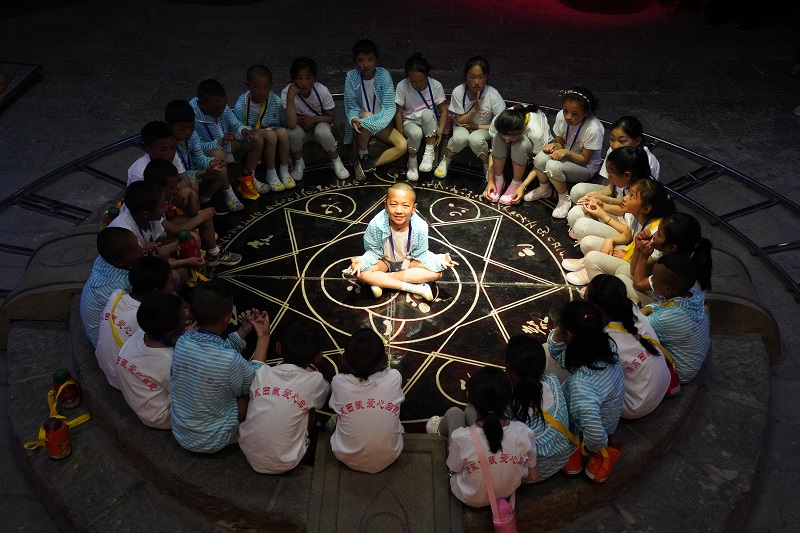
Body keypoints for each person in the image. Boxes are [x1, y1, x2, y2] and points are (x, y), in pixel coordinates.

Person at [169, 280, 268, 453]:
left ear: (191, 312)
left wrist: (242, 331)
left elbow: (217, 352)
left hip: (180, 432)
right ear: (228, 318)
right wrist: (264, 338)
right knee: (250, 395)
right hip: (213, 439)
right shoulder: (230, 360)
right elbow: (256, 381)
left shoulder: (183, 341)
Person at [547, 300, 625, 483]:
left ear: (569, 335)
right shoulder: (607, 346)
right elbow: (563, 355)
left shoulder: (581, 386)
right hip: (605, 420)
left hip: (588, 431)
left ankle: (575, 451)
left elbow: (596, 435)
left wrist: (588, 448)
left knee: (547, 396)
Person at [239, 319, 329, 474]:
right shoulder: (315, 381)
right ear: (318, 357)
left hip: (248, 452)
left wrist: (263, 337)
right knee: (309, 406)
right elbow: (327, 389)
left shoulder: (261, 373)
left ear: (278, 348)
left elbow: (258, 364)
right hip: (286, 462)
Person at [440, 366, 537, 508]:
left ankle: (437, 428)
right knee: (469, 414)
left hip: (471, 497)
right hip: (507, 492)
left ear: (468, 396)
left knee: (455, 413)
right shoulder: (524, 432)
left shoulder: (460, 438)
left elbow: (454, 468)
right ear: (508, 399)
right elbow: (533, 476)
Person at [346, 182, 457, 300]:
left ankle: (380, 280)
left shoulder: (420, 227)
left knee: (437, 273)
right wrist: (361, 262)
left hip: (408, 262)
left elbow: (421, 254)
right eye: (393, 204)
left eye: (405, 206)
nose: (399, 210)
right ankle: (416, 288)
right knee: (357, 271)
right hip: (384, 261)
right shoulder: (376, 224)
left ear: (413, 208)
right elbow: (373, 252)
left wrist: (439, 260)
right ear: (386, 205)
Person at [562, 179, 675, 292]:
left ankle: (596, 281)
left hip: (634, 267)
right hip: (629, 254)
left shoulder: (656, 233)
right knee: (588, 242)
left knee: (593, 257)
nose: (625, 198)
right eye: (628, 193)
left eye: (631, 196)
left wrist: (628, 258)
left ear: (646, 209)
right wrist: (610, 240)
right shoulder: (637, 216)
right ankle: (590, 267)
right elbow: (629, 233)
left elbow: (642, 269)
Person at [585, 275, 673, 417]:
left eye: (586, 299)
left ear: (597, 308)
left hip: (636, 406)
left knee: (582, 378)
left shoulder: (606, 339)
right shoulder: (631, 308)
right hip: (665, 381)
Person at [328, 328, 404, 473]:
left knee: (335, 419)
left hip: (345, 456)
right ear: (385, 360)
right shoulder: (394, 377)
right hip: (391, 455)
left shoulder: (338, 382)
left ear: (343, 359)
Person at [143, 159, 241, 267]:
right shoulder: (152, 205)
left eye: (176, 185)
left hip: (160, 232)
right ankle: (190, 263)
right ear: (160, 188)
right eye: (172, 187)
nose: (176, 190)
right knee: (193, 237)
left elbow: (193, 212)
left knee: (201, 215)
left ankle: (214, 254)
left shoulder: (164, 194)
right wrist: (202, 218)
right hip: (155, 243)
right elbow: (177, 231)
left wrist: (190, 194)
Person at [95, 255, 173, 390]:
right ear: (156, 292)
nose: (172, 287)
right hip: (126, 382)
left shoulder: (117, 295)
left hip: (108, 370)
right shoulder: (148, 319)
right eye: (170, 283)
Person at [505, 334, 575, 482]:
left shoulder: (508, 405)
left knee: (472, 412)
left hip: (531, 474)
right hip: (563, 459)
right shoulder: (552, 381)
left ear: (509, 371)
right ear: (542, 367)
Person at [526, 87, 604, 219]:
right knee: (540, 158)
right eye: (565, 111)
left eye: (574, 114)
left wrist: (566, 152)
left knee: (553, 166)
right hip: (567, 156)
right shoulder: (561, 117)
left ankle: (564, 199)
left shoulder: (594, 129)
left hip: (585, 167)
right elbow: (560, 144)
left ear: (586, 113)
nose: (568, 117)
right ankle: (544, 189)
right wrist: (553, 146)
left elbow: (584, 160)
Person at [108, 180, 204, 288]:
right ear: (145, 214)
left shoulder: (147, 215)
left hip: (146, 258)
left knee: (192, 239)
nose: (165, 208)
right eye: (162, 206)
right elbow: (144, 265)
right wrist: (186, 261)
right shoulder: (128, 235)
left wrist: (159, 248)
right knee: (175, 275)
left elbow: (160, 241)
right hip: (135, 268)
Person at [116, 293, 188, 429]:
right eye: (184, 318)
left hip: (144, 404)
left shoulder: (142, 332)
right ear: (171, 334)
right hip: (162, 416)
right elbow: (187, 396)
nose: (187, 315)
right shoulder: (171, 362)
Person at [189, 79, 268, 196]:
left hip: (229, 157)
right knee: (218, 153)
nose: (222, 110)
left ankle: (249, 178)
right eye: (217, 108)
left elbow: (236, 125)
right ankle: (227, 191)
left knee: (256, 137)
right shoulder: (191, 117)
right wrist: (219, 142)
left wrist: (243, 131)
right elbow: (196, 149)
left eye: (224, 105)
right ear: (201, 104)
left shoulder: (221, 106)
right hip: (209, 161)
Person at [641, 254, 711, 386]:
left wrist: (637, 306)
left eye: (654, 277)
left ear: (667, 289)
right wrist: (648, 309)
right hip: (694, 361)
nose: (651, 278)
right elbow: (660, 305)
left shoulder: (665, 319)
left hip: (678, 373)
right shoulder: (692, 295)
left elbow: (636, 323)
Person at [165, 99, 244, 214]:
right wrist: (202, 173)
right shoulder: (168, 147)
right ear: (170, 126)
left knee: (219, 165)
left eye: (192, 127)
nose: (188, 132)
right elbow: (180, 176)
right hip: (182, 183)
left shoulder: (192, 136)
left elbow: (200, 157)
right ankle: (196, 210)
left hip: (195, 173)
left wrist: (212, 163)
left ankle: (207, 199)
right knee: (192, 183)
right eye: (182, 129)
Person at [434, 56, 505, 180]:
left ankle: (487, 165)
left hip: (484, 128)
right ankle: (446, 160)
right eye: (472, 77)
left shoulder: (493, 95)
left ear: (487, 77)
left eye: (481, 77)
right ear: (466, 76)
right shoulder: (458, 91)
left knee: (475, 139)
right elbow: (460, 120)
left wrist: (476, 126)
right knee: (459, 138)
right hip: (462, 125)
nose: (476, 82)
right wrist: (475, 109)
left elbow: (500, 124)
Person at [282, 56, 349, 181]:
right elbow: (291, 123)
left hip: (319, 125)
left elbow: (330, 117)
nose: (303, 83)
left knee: (323, 131)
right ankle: (299, 162)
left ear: (314, 79)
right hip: (300, 130)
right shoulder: (287, 92)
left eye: (308, 78)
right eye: (299, 78)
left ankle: (336, 161)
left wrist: (312, 120)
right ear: (293, 79)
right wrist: (290, 96)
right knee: (291, 132)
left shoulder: (321, 90)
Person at [344, 39, 407, 173]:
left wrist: (377, 123)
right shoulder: (351, 77)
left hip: (382, 123)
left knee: (402, 145)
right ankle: (363, 154)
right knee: (367, 115)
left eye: (370, 59)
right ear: (355, 62)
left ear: (376, 60)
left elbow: (390, 107)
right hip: (362, 123)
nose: (365, 64)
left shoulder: (383, 75)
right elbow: (351, 106)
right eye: (360, 60)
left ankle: (369, 164)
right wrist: (353, 118)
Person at [568, 146, 653, 242]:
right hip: (623, 222)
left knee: (584, 235)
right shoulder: (633, 183)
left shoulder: (643, 193)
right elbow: (622, 210)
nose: (608, 178)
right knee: (575, 213)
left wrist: (603, 214)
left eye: (611, 175)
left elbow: (629, 233)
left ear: (627, 175)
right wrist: (602, 204)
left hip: (628, 236)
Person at [234, 64, 293, 192]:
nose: (261, 92)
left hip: (273, 137)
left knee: (283, 132)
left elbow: (283, 124)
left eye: (265, 87)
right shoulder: (241, 105)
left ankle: (284, 169)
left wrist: (289, 157)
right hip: (254, 139)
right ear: (247, 85)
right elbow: (237, 130)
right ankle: (271, 173)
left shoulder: (276, 101)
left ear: (271, 86)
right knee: (270, 135)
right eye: (256, 87)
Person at [630, 212, 713, 302]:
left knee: (623, 279)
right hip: (664, 296)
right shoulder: (676, 250)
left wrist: (643, 256)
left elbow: (638, 284)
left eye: (659, 234)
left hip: (669, 308)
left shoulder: (673, 268)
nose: (653, 235)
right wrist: (638, 248)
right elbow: (634, 272)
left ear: (672, 247)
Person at [79, 227, 141, 347]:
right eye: (137, 248)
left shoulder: (104, 259)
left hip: (97, 330)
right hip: (109, 343)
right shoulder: (124, 283)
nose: (141, 248)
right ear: (120, 263)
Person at [393, 53, 448, 182]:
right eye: (413, 81)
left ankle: (429, 153)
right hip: (410, 122)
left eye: (421, 80)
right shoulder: (402, 86)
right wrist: (401, 134)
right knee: (416, 133)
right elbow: (398, 112)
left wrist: (440, 132)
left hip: (429, 123)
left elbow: (444, 111)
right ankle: (412, 162)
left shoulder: (435, 85)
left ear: (427, 75)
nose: (418, 84)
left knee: (427, 113)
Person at [482, 104, 550, 205]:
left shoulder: (536, 131)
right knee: (497, 138)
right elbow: (493, 150)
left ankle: (516, 183)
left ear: (521, 130)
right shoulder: (498, 121)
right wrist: (491, 180)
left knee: (520, 143)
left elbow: (539, 162)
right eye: (505, 138)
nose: (507, 141)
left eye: (511, 138)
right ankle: (499, 180)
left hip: (531, 152)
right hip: (514, 145)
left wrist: (522, 186)